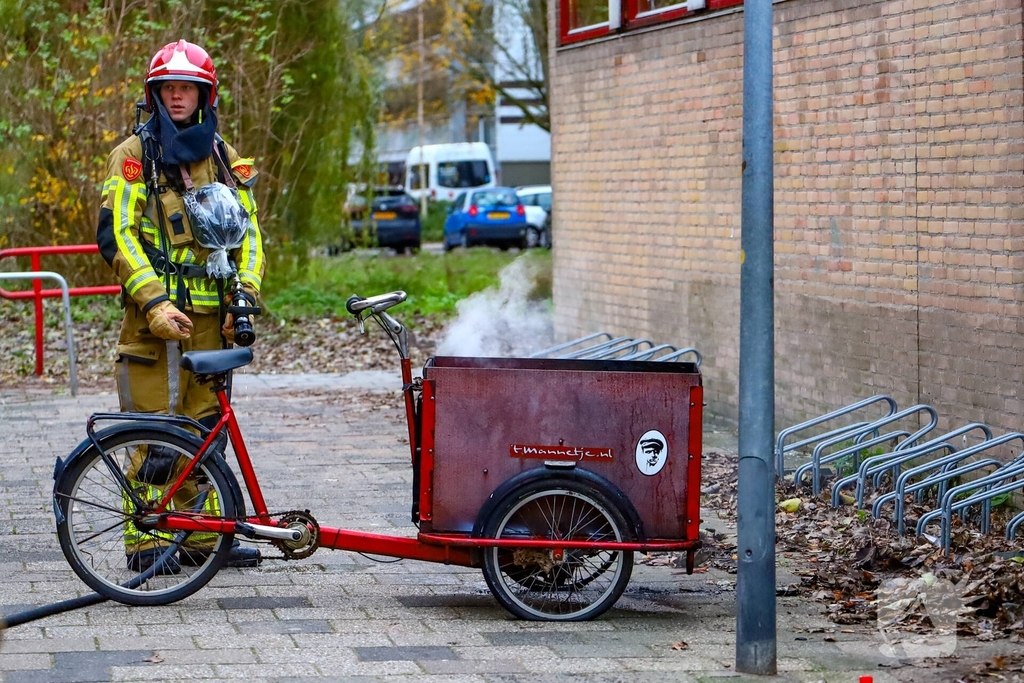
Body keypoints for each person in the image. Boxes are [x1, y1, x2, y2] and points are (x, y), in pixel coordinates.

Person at [96, 39, 264, 573]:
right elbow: (118, 235)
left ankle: (200, 538)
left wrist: (245, 296)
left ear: (204, 95)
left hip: (215, 325)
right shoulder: (132, 157)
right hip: (157, 326)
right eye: (168, 87)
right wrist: (153, 303)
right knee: (157, 437)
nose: (176, 96)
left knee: (205, 432)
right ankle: (146, 541)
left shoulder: (224, 158)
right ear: (154, 93)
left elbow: (250, 234)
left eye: (186, 88)